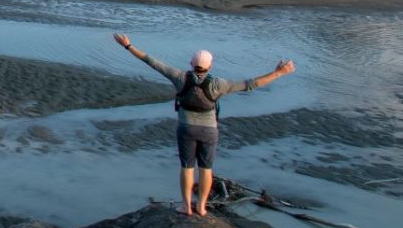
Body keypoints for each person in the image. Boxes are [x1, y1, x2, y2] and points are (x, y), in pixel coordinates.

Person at [112, 32, 295, 216]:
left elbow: (152, 62)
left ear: (191, 64)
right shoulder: (219, 84)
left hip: (186, 128)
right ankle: (201, 207)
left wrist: (128, 46)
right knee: (206, 168)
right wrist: (279, 72)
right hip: (209, 131)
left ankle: (186, 206)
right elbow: (251, 84)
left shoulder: (180, 77)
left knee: (187, 167)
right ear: (210, 66)